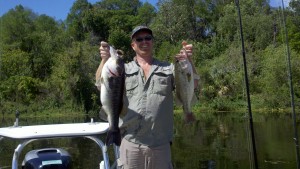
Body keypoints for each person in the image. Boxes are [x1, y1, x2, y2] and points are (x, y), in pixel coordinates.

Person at [95, 26, 199, 169]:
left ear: (152, 42)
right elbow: (101, 84)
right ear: (133, 45)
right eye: (139, 39)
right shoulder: (122, 68)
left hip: (160, 146)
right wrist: (104, 60)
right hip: (131, 144)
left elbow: (193, 83)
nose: (144, 41)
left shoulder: (168, 68)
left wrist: (189, 60)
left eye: (148, 38)